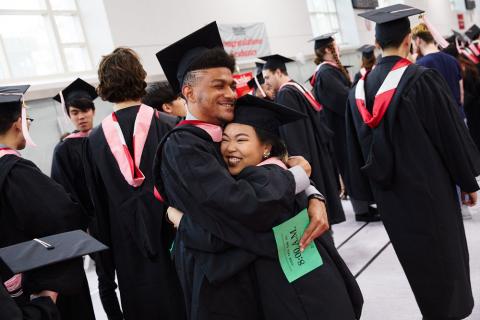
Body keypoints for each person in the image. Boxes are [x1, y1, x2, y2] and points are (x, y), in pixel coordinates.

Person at [155, 21, 329, 320]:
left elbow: (282, 161)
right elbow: (246, 207)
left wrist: (314, 194)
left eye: (232, 85)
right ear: (189, 92)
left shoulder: (228, 130)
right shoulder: (183, 145)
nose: (231, 93)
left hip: (255, 275)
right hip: (219, 283)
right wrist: (297, 179)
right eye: (219, 85)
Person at [167, 94, 364, 320]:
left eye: (241, 140)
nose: (230, 148)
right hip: (301, 289)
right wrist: (312, 191)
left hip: (304, 296)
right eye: (225, 139)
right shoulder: (278, 176)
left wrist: (179, 219)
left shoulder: (268, 186)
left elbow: (224, 238)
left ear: (266, 148)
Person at [348, 5, 480, 319]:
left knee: (416, 259)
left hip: (390, 198)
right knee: (445, 258)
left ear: (377, 45)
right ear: (409, 40)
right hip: (430, 192)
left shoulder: (359, 90)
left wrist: (366, 191)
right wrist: (467, 181)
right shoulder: (420, 79)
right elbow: (448, 135)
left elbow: (353, 148)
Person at [83, 47, 184, 320]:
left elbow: (98, 211)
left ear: (104, 86)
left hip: (128, 256)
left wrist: (106, 272)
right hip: (177, 245)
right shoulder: (171, 125)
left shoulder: (93, 141)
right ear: (140, 78)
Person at [0, 86, 89, 319]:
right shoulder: (16, 171)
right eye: (27, 118)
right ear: (18, 123)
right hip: (36, 288)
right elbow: (64, 216)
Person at [261, 53, 346, 225]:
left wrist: (300, 171)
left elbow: (294, 136)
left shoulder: (286, 94)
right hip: (317, 153)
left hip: (307, 159)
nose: (266, 82)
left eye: (267, 77)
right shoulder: (296, 88)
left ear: (278, 72)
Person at [311, 34, 379, 222]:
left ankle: (365, 206)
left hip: (342, 128)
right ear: (326, 50)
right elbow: (344, 98)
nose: (338, 48)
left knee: (353, 165)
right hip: (339, 131)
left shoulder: (329, 71)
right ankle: (361, 210)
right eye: (335, 45)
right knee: (350, 166)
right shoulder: (325, 73)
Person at [51, 78, 97, 222]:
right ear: (69, 115)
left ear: (93, 111)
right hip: (89, 217)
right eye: (75, 112)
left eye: (85, 110)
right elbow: (63, 189)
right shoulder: (63, 149)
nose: (81, 117)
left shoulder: (106, 138)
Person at [412, 22, 465, 119]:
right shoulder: (453, 60)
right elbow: (461, 94)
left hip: (440, 121)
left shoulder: (419, 66)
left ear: (418, 40)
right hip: (459, 116)